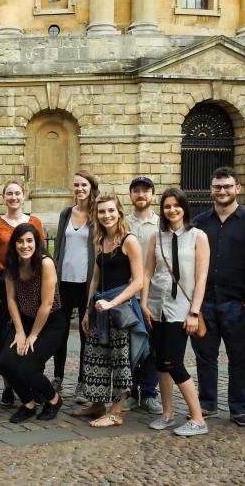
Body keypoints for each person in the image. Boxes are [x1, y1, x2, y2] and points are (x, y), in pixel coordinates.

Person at [190, 167, 245, 428]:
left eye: (227, 187)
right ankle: (207, 403)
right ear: (211, 190)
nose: (222, 191)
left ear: (238, 189)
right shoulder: (199, 222)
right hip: (205, 302)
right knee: (205, 358)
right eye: (217, 187)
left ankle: (239, 408)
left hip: (238, 303)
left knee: (239, 358)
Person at [71, 193, 147, 428]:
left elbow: (139, 280)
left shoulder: (129, 240)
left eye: (111, 211)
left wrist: (112, 303)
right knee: (95, 358)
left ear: (119, 212)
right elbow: (95, 278)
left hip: (120, 309)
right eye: (102, 212)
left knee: (119, 362)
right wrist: (87, 310)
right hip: (99, 308)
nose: (106, 216)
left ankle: (116, 413)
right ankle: (97, 405)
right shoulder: (99, 240)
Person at [140, 188, 210, 437]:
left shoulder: (198, 236)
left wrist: (195, 311)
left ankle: (198, 418)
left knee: (174, 361)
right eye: (167, 206)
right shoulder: (156, 237)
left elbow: (201, 277)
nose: (171, 210)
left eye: (176, 205)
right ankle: (167, 413)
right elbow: (147, 272)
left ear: (184, 207)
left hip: (182, 307)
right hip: (158, 306)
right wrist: (144, 303)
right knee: (161, 361)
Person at [0, 180, 46, 406]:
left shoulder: (35, 222)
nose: (13, 197)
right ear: (3, 197)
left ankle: (32, 382)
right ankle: (8, 385)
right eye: (9, 193)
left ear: (24, 196)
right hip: (3, 281)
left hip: (28, 282)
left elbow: (41, 254)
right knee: (2, 335)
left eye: (17, 193)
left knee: (28, 332)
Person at [0, 223, 65, 423]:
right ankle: (28, 404)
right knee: (6, 362)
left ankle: (53, 399)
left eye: (29, 241)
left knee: (27, 368)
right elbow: (10, 299)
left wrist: (33, 336)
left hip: (50, 323)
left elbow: (46, 304)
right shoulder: (11, 263)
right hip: (25, 320)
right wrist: (19, 331)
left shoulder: (45, 263)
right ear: (14, 244)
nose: (25, 245)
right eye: (20, 241)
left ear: (37, 243)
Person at [52, 171, 97, 405]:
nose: (80, 189)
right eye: (77, 185)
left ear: (91, 187)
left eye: (84, 185)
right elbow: (58, 247)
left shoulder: (97, 215)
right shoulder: (66, 214)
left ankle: (83, 380)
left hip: (87, 284)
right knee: (59, 331)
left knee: (85, 333)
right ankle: (58, 377)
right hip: (65, 282)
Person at [124, 176, 163, 414]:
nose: (141, 195)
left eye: (145, 191)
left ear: (152, 195)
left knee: (153, 346)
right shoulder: (123, 223)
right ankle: (128, 390)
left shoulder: (161, 224)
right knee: (129, 345)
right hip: (127, 293)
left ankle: (148, 392)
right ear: (131, 195)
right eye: (136, 191)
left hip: (154, 294)